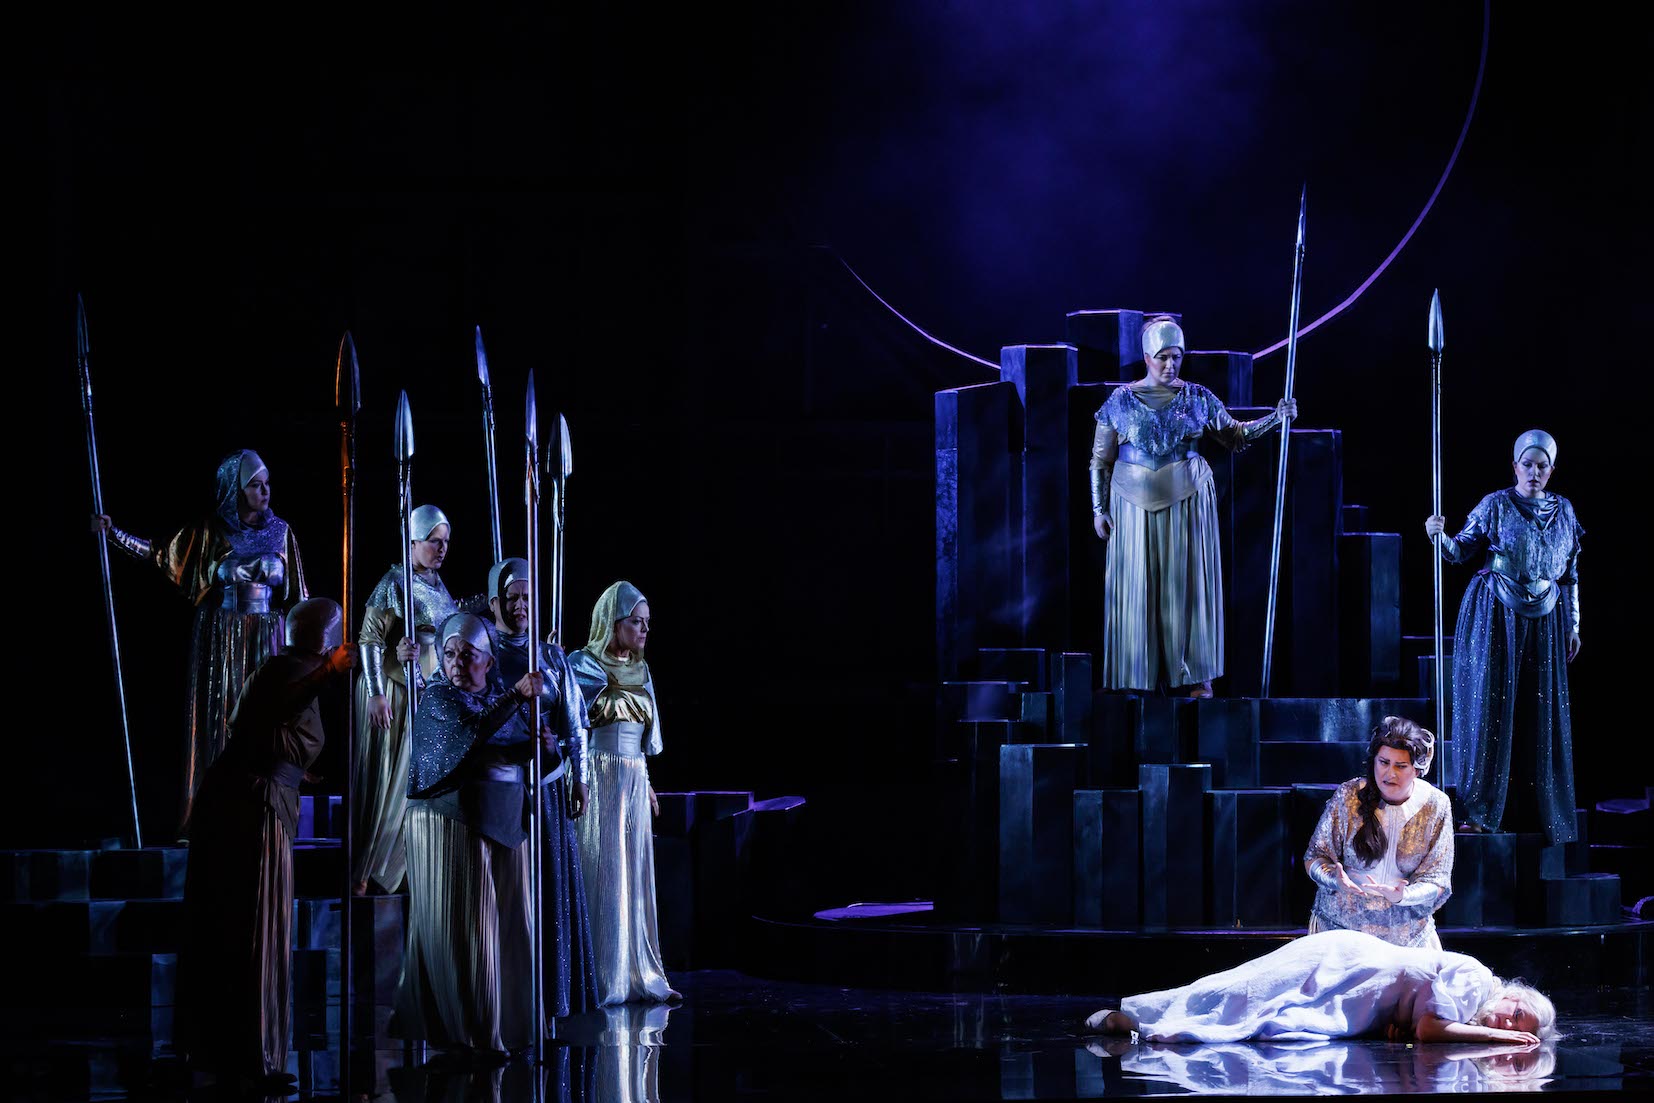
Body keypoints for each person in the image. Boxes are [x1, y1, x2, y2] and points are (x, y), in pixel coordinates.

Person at [175, 598, 355, 1088]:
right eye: (335, 639)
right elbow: (268, 710)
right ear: (324, 640)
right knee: (253, 921)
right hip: (250, 805)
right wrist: (328, 672)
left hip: (261, 797)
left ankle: (246, 1052)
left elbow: (265, 729)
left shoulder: (289, 671)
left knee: (251, 922)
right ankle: (251, 1054)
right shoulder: (284, 671)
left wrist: (299, 769)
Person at [93, 449, 307, 829]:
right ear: (236, 491)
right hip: (222, 635)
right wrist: (113, 534)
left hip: (267, 637)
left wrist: (310, 651)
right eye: (255, 485)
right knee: (223, 719)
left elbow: (299, 598)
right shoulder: (211, 531)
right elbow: (159, 554)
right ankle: (217, 815)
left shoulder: (281, 531)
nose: (264, 492)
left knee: (266, 720)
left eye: (267, 484)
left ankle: (265, 813)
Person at [1089, 317, 1296, 696]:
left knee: (1186, 588)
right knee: (1137, 588)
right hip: (1131, 505)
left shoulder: (1198, 397)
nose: (1170, 365)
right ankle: (1136, 675)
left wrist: (1276, 419)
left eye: (1176, 357)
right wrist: (1098, 509)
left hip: (1187, 501)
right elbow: (1100, 460)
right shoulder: (1119, 401)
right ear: (1147, 357)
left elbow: (1235, 434)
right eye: (1162, 357)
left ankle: (1195, 674)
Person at [392, 612, 553, 1057]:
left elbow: (522, 752)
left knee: (513, 927)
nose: (457, 663)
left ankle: (515, 1024)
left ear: (488, 660)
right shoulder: (439, 699)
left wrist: (545, 747)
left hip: (503, 818)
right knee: (470, 931)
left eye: (468, 654)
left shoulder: (500, 699)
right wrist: (517, 697)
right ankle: (475, 1031)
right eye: (448, 654)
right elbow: (468, 737)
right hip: (453, 820)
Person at [1425, 429, 1584, 844]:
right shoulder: (1495, 504)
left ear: (1551, 470)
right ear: (1515, 466)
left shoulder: (1564, 511)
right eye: (1527, 464)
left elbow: (1569, 574)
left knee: (1539, 712)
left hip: (1546, 616)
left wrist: (1574, 624)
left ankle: (1539, 813)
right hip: (1497, 610)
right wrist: (1438, 536)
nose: (1534, 472)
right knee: (1492, 708)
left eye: (1542, 466)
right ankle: (1481, 811)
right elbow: (1460, 551)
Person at [1083, 928, 1555, 1044]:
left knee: (1264, 1006)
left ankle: (1141, 1020)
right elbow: (1431, 1028)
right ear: (1512, 995)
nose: (1507, 1024)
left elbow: (1421, 1026)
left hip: (1359, 983)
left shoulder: (1470, 1001)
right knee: (1246, 989)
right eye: (1516, 1015)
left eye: (1517, 1027)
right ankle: (1139, 1014)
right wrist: (1500, 1038)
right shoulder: (1477, 979)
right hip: (1355, 967)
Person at [487, 556, 598, 1019]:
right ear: (496, 601)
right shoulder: (483, 651)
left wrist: (581, 776)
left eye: (528, 598)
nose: (520, 606)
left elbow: (575, 722)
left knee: (550, 888)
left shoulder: (551, 656)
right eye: (512, 597)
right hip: (503, 790)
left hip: (548, 789)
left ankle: (552, 994)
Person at [569, 581, 679, 1004]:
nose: (644, 630)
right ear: (613, 623)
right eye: (636, 622)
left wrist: (646, 782)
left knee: (633, 870)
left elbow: (643, 737)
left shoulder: (642, 671)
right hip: (599, 774)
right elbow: (575, 731)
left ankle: (640, 972)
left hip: (632, 776)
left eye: (647, 623)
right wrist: (579, 778)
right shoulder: (584, 663)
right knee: (606, 866)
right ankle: (603, 974)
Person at [352, 504, 458, 894]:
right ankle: (366, 870)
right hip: (394, 692)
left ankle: (401, 870)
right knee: (387, 784)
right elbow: (369, 639)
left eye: (445, 542)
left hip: (425, 692)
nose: (441, 549)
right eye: (433, 541)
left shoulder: (437, 584)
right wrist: (377, 693)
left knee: (416, 783)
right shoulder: (394, 581)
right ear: (412, 542)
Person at [1305, 717, 1453, 948]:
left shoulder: (1436, 805)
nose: (1390, 774)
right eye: (1384, 762)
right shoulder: (1349, 795)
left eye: (1400, 766)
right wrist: (1335, 879)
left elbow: (1437, 879)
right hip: (1340, 929)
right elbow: (1315, 856)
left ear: (1417, 769)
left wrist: (1403, 896)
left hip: (1408, 935)